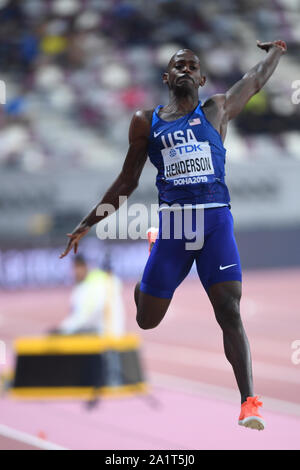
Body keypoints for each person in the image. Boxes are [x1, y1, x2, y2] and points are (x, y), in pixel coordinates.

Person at [60, 40, 287, 430]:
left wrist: (277, 51)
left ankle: (249, 400)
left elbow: (253, 81)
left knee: (229, 310)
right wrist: (88, 221)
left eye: (191, 65)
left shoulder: (216, 110)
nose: (184, 68)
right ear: (167, 78)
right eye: (177, 65)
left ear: (200, 78)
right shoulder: (145, 122)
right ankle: (153, 258)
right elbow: (127, 181)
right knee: (147, 320)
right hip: (176, 228)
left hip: (216, 222)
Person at [53, 254, 125, 336]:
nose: (75, 271)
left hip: (106, 339)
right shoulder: (100, 282)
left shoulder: (94, 285)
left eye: (78, 267)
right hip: (110, 335)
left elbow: (84, 316)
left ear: (87, 266)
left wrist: (63, 329)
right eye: (74, 267)